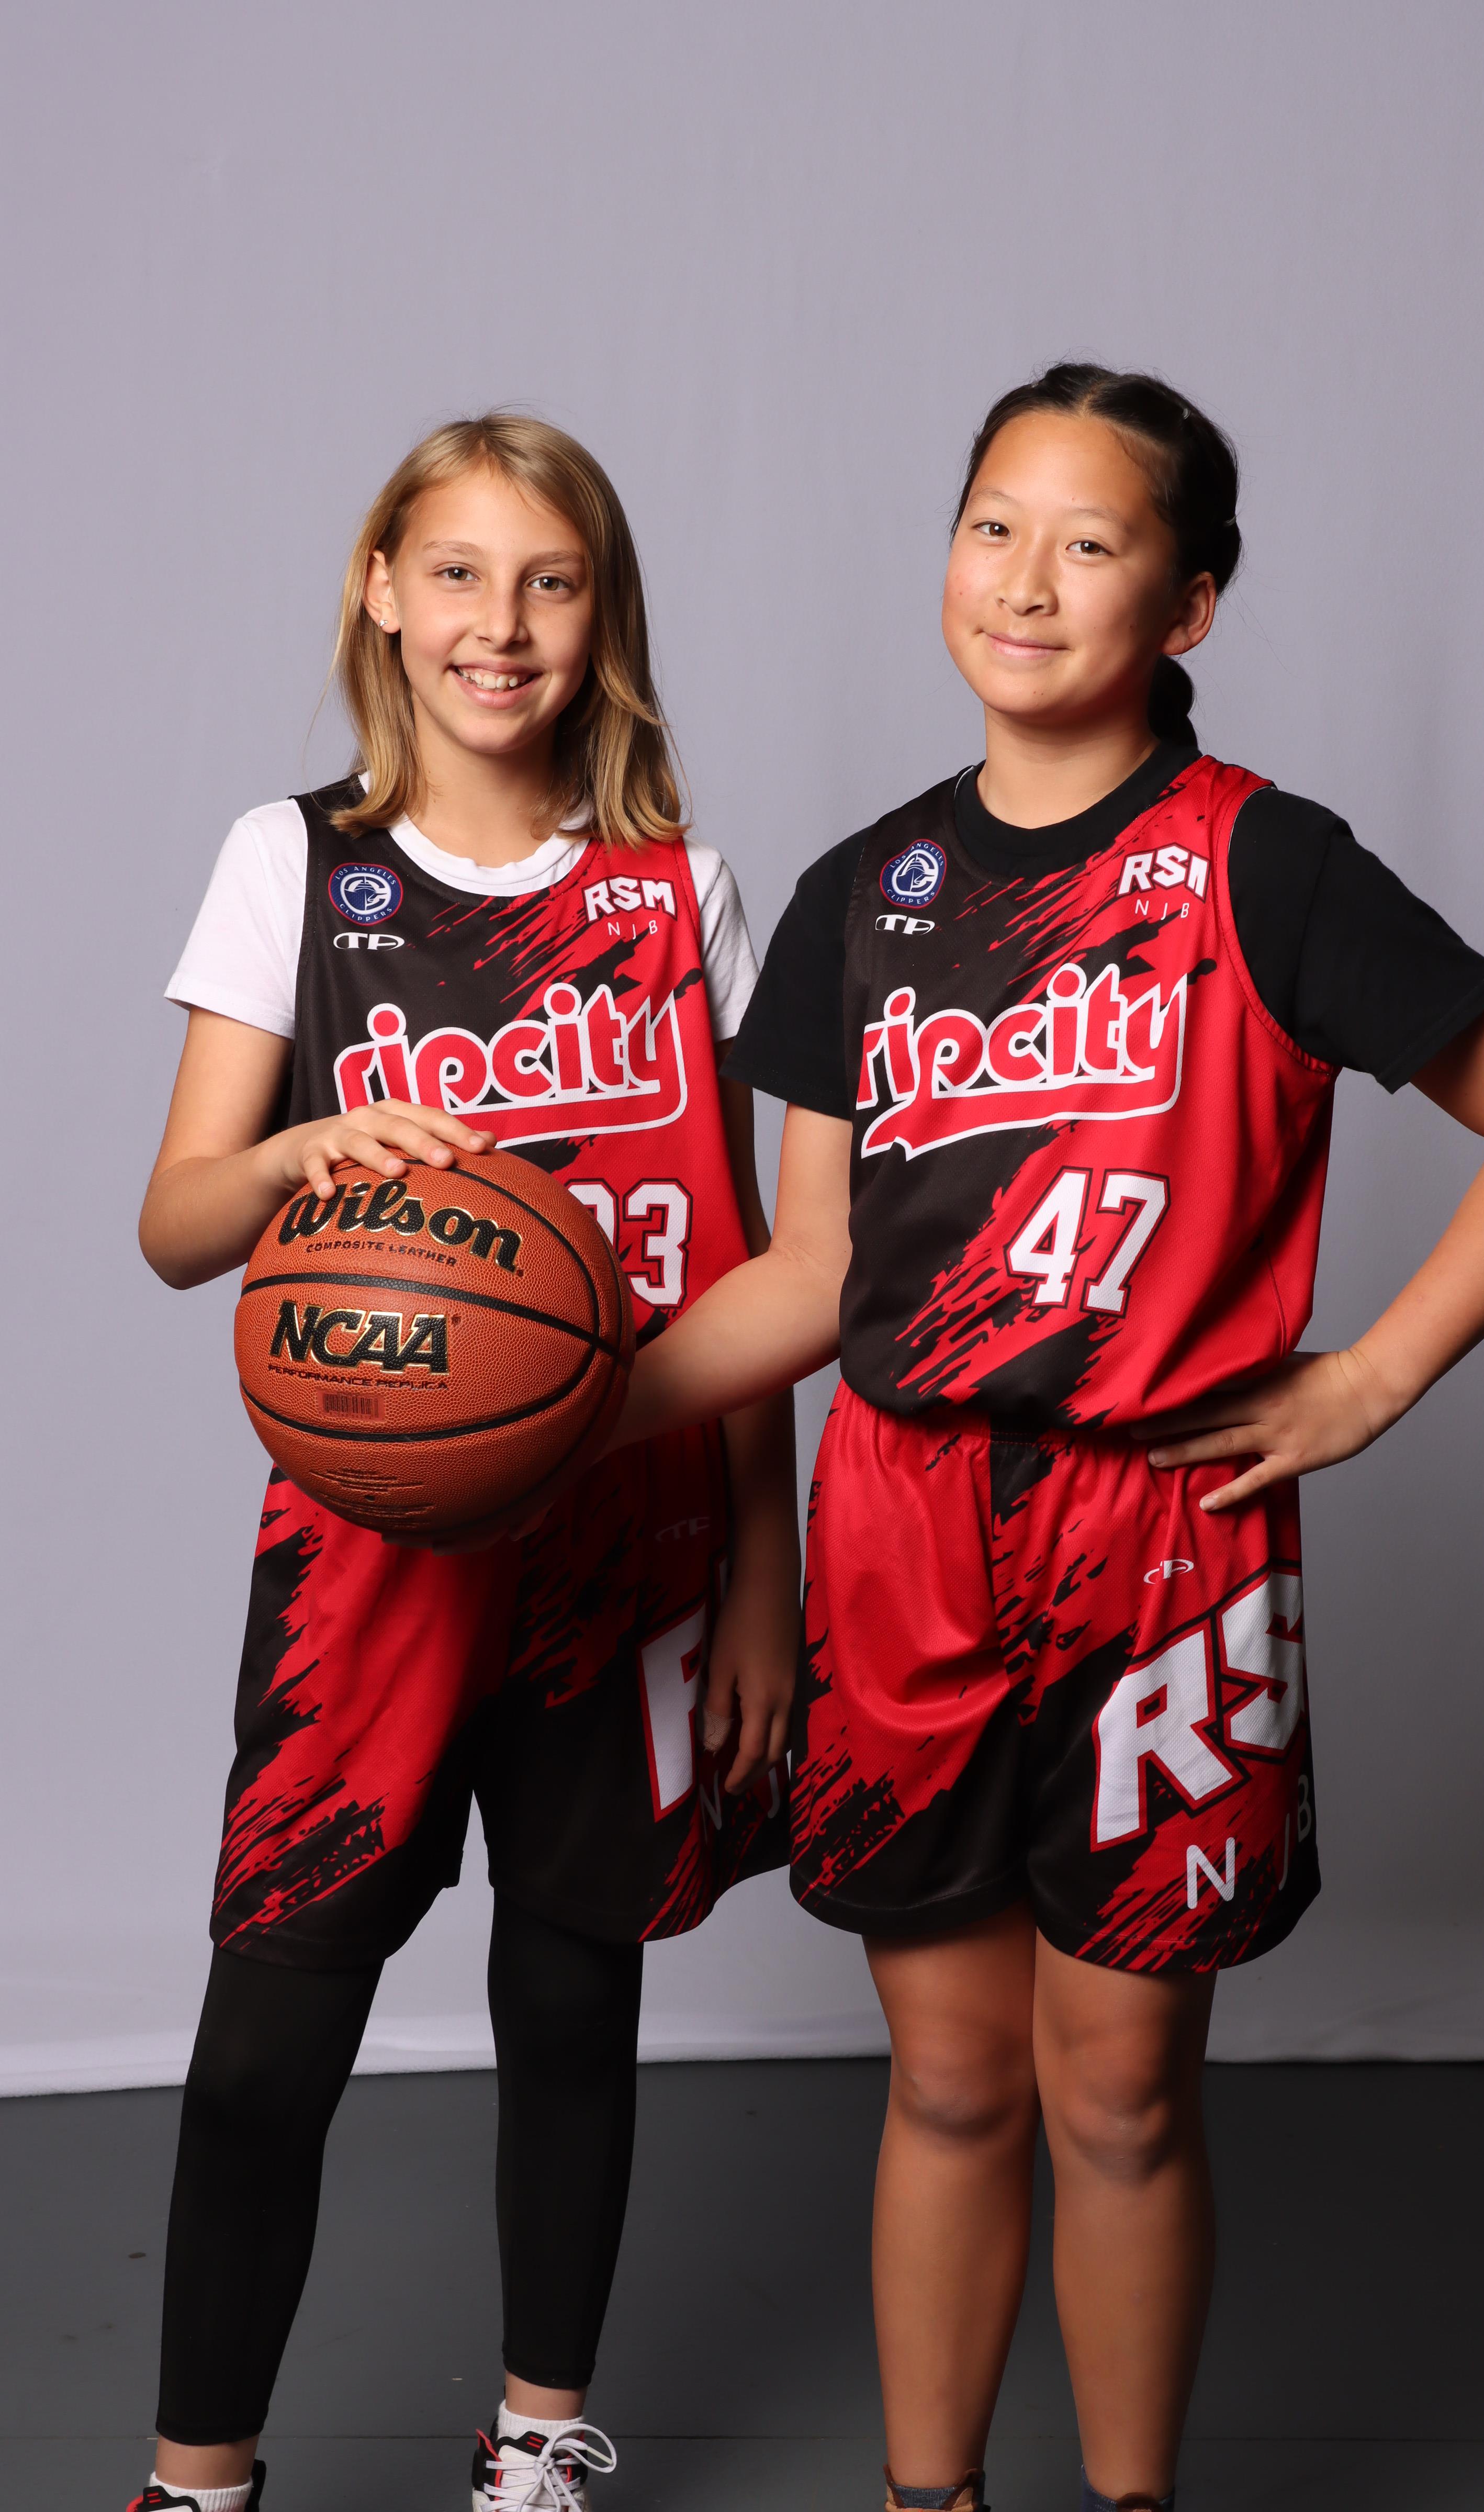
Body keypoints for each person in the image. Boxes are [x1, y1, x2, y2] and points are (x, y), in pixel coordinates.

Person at [604, 364, 1484, 2512]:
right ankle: (933, 2503)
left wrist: (1366, 1378)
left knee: (1123, 2091)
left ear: (1187, 604)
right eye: (993, 523)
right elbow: (813, 1277)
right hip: (903, 1526)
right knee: (949, 2081)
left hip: (1162, 1536)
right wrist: (568, 1423)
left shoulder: (1264, 864)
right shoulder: (863, 891)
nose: (1026, 578)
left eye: (1090, 542)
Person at [128, 414, 800, 2512]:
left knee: (572, 2001)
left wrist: (765, 1581)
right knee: (269, 2036)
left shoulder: (682, 890)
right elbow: (174, 1226)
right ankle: (198, 2479)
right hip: (377, 1544)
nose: (497, 627)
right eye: (456, 574)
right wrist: (303, 1152)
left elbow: (750, 1263)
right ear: (380, 589)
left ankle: (535, 2439)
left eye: (548, 583)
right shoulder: (295, 864)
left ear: (603, 619)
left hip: (632, 1538)